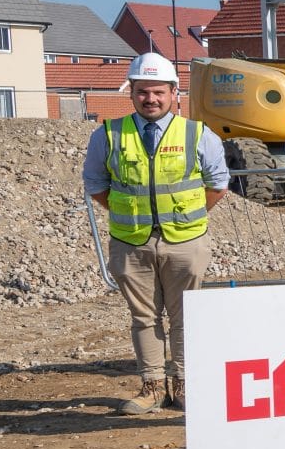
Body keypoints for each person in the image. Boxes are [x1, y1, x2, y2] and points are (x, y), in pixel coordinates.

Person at [83, 52, 231, 413]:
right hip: (132, 243)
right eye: (142, 91)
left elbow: (218, 183)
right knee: (144, 318)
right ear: (131, 92)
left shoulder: (197, 133)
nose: (151, 99)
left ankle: (183, 386)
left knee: (185, 317)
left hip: (186, 242)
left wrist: (183, 218)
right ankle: (152, 387)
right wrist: (135, 217)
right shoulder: (109, 135)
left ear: (174, 93)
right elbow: (97, 185)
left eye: (158, 92)